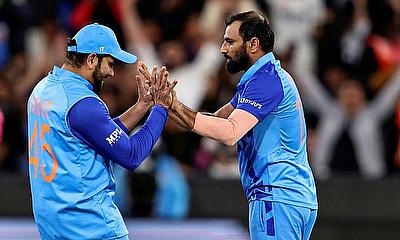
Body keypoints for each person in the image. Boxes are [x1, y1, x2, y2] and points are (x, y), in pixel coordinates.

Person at [163, 11, 318, 239]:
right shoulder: (265, 76)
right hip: (290, 197)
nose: (223, 49)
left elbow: (229, 133)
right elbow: (217, 120)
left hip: (276, 196)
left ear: (253, 44)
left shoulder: (265, 81)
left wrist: (175, 107)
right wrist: (167, 105)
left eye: (229, 41)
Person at [27, 23, 175, 239]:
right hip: (91, 226)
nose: (112, 73)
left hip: (55, 224)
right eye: (110, 64)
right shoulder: (84, 103)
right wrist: (161, 108)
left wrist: (142, 105)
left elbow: (94, 133)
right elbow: (131, 155)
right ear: (91, 59)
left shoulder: (43, 89)